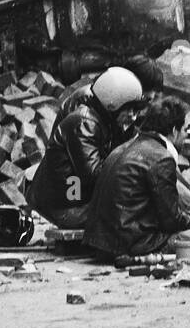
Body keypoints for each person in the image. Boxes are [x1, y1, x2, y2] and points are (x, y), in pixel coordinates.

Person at [85, 95, 190, 259]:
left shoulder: (122, 148)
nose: (186, 136)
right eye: (185, 130)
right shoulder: (161, 158)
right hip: (134, 246)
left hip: (100, 245)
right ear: (174, 131)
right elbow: (171, 220)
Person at [26, 66, 144, 228]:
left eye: (135, 110)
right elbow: (95, 176)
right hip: (66, 206)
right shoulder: (84, 123)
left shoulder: (107, 122)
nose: (132, 116)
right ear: (112, 104)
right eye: (128, 109)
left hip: (77, 199)